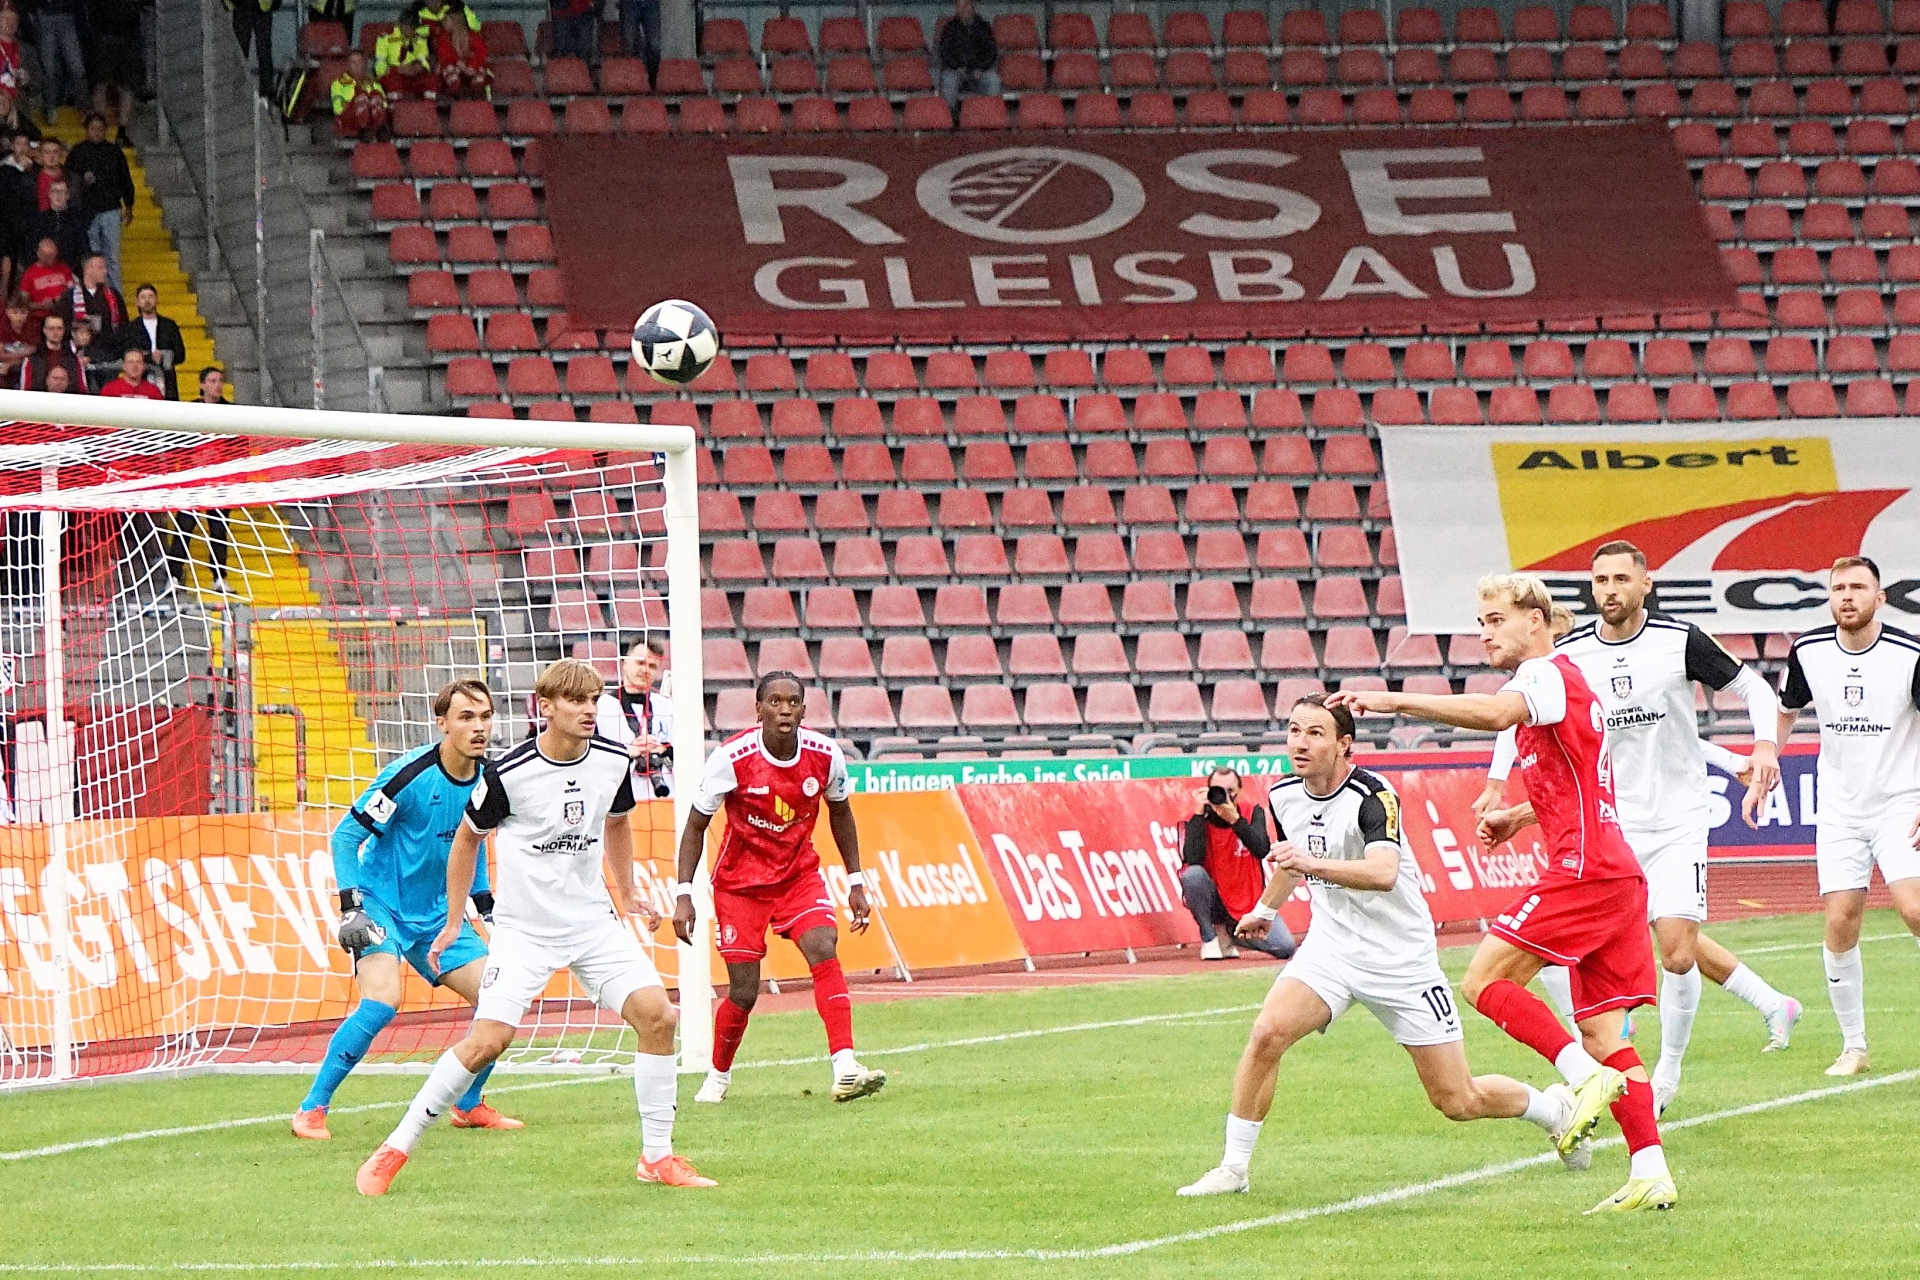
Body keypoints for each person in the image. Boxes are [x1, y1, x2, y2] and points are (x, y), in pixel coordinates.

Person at [1329, 573, 1674, 1215]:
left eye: (1495, 620)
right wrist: (1518, 815)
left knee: (1484, 981)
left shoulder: (1542, 675)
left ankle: (1581, 1080)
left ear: (1534, 620)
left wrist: (1390, 700)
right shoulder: (1567, 683)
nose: (1484, 634)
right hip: (1615, 872)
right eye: (1480, 623)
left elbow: (1493, 714)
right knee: (1604, 1032)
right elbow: (1584, 787)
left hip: (1585, 871)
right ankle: (1650, 1169)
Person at [1178, 694, 1584, 1198]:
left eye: (1315, 733)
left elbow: (1383, 872)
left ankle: (1553, 1110)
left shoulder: (1373, 795)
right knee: (1267, 1034)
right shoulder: (1282, 795)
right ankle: (1233, 1168)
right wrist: (1265, 908)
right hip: (1332, 948)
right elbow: (1291, 860)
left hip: (1400, 960)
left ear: (1344, 744)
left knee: (1457, 1099)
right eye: (1294, 730)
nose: (1300, 743)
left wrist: (1309, 865)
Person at [355, 659, 715, 1194]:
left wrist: (628, 891)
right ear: (545, 707)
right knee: (487, 1042)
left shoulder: (614, 760)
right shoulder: (507, 773)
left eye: (593, 699)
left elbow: (617, 823)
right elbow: (467, 841)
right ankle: (396, 1146)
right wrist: (454, 921)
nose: (588, 709)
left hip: (591, 924)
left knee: (658, 1017)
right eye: (576, 700)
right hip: (524, 932)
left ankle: (657, 1157)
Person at [1500, 543, 1799, 1115]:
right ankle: (1606, 1048)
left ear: (1645, 585)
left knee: (1678, 953)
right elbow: (1568, 746)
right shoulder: (1571, 656)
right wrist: (1515, 807)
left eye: (1621, 578)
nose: (1609, 589)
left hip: (1679, 821)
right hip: (1608, 826)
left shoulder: (1679, 641)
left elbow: (1755, 689)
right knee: (1575, 947)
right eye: (1600, 580)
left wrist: (1761, 747)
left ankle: (1666, 1071)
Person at [293, 680, 523, 1139]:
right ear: (443, 724)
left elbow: (473, 844)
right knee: (382, 1002)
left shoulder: (490, 779)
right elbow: (346, 837)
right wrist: (352, 907)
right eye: (466, 717)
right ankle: (311, 1108)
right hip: (381, 906)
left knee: (499, 1001)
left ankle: (469, 1103)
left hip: (439, 915)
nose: (478, 727)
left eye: (485, 717)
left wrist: (485, 907)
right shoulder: (409, 775)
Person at [673, 671, 888, 1107]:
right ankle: (718, 1075)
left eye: (793, 702)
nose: (784, 709)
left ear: (804, 711)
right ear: (759, 709)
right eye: (774, 702)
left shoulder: (826, 755)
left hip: (797, 876)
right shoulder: (731, 758)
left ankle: (845, 1065)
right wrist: (683, 894)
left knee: (823, 945)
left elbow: (841, 814)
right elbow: (695, 825)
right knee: (744, 990)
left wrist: (856, 881)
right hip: (740, 885)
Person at [1776, 556, 1920, 1078]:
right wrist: (1768, 756)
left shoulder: (1910, 654)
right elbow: (1787, 708)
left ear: (1880, 598)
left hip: (1901, 801)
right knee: (1840, 919)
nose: (1847, 596)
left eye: (1858, 587)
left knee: (1914, 908)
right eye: (1839, 588)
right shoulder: (1809, 650)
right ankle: (1854, 1047)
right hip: (1839, 808)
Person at [1180, 766, 1295, 961]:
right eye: (1218, 790)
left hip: (1249, 904)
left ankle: (1230, 934)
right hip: (1217, 901)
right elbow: (1193, 859)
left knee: (1285, 947)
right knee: (1193, 875)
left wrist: (1235, 820)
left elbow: (1262, 849)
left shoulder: (1252, 812)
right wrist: (1199, 815)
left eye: (1230, 791)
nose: (1225, 796)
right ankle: (1210, 936)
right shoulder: (1198, 818)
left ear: (1239, 791)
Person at [595, 635, 672, 800]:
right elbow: (593, 756)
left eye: (652, 666)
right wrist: (629, 752)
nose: (645, 670)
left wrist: (664, 750)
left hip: (664, 799)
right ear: (624, 664)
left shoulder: (667, 706)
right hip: (617, 800)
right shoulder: (601, 707)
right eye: (640, 663)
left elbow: (685, 753)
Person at [64, 114, 134, 289]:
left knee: (112, 256)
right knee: (92, 256)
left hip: (110, 209)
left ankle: (115, 295)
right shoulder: (77, 152)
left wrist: (129, 205)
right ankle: (95, 294)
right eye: (93, 129)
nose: (97, 132)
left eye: (100, 129)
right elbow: (69, 180)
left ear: (106, 131)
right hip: (86, 211)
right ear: (87, 130)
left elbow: (125, 179)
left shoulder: (114, 152)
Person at [115, 283, 187, 399]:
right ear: (137, 301)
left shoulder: (169, 325)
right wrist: (148, 357)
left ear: (156, 299)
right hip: (141, 379)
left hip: (167, 378)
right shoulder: (130, 328)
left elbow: (181, 354)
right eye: (143, 297)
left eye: (150, 296)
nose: (147, 301)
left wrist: (164, 356)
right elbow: (124, 353)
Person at [936, 0, 1000, 112]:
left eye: (965, 5)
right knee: (948, 79)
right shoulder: (949, 28)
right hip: (956, 70)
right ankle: (948, 116)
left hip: (980, 71)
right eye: (959, 7)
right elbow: (945, 53)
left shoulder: (983, 26)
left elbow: (991, 52)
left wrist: (981, 68)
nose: (962, 9)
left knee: (993, 80)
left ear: (972, 6)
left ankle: (991, 114)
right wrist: (957, 67)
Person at [32, 0, 87, 113]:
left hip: (67, 14)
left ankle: (82, 108)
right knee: (49, 68)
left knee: (76, 67)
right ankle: (51, 109)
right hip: (45, 14)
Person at [56, 252, 125, 339]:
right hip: (79, 344)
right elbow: (63, 324)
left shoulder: (114, 294)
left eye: (105, 267)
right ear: (88, 269)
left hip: (108, 344)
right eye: (100, 267)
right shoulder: (69, 296)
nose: (105, 271)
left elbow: (123, 324)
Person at [17, 310, 85, 390]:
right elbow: (25, 390)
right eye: (51, 328)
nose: (55, 332)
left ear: (64, 331)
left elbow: (82, 390)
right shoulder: (31, 360)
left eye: (59, 328)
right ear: (44, 330)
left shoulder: (74, 361)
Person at [226, 0, 280, 101]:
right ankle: (264, 90)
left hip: (248, 7)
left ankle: (263, 89)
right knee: (258, 51)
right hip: (249, 7)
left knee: (257, 51)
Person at [330, 50, 389, 141]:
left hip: (372, 119)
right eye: (353, 62)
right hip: (349, 119)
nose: (357, 65)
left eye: (359, 62)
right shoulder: (338, 84)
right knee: (362, 97)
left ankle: (377, 132)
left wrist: (369, 105)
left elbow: (384, 105)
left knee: (375, 95)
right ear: (348, 65)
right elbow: (338, 110)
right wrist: (356, 103)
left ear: (364, 64)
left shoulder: (374, 84)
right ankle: (365, 131)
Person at [375, 11, 435, 99]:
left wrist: (420, 66)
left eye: (414, 28)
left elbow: (424, 59)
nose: (412, 31)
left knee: (431, 80)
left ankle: (427, 104)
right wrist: (396, 69)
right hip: (394, 73)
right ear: (401, 25)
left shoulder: (419, 38)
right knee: (392, 83)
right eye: (410, 28)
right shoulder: (386, 37)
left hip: (413, 73)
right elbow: (380, 65)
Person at [32, 180, 88, 273]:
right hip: (44, 270)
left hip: (71, 270)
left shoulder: (76, 220)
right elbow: (33, 247)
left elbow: (83, 248)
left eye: (62, 191)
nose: (58, 195)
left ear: (68, 195)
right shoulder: (40, 219)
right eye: (55, 191)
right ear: (49, 194)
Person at [431, 12, 489, 100]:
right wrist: (458, 62)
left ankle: (476, 96)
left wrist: (471, 65)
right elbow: (444, 55)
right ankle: (457, 95)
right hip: (452, 65)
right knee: (450, 70)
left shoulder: (472, 36)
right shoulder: (442, 37)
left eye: (446, 20)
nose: (443, 22)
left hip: (469, 65)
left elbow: (481, 53)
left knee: (479, 75)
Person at [17, 236, 71, 313]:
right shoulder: (29, 274)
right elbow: (23, 302)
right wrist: (41, 305)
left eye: (53, 256)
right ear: (39, 254)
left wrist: (56, 300)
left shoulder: (64, 268)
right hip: (41, 314)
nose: (51, 259)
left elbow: (72, 290)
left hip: (63, 311)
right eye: (47, 256)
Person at [0, 289, 39, 379]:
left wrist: (11, 363)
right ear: (7, 312)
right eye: (15, 312)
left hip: (24, 365)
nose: (19, 317)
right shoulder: (3, 326)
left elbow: (32, 353)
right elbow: (0, 355)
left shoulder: (32, 326)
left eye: (23, 312)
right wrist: (23, 354)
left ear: (28, 312)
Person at [97, 345, 162, 397]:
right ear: (124, 366)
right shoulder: (110, 389)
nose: (135, 366)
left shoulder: (153, 391)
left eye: (139, 362)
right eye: (130, 362)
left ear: (144, 366)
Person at [619, 0, 659, 82]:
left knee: (655, 45)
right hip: (629, 3)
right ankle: (632, 80)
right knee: (629, 44)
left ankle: (652, 80)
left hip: (651, 3)